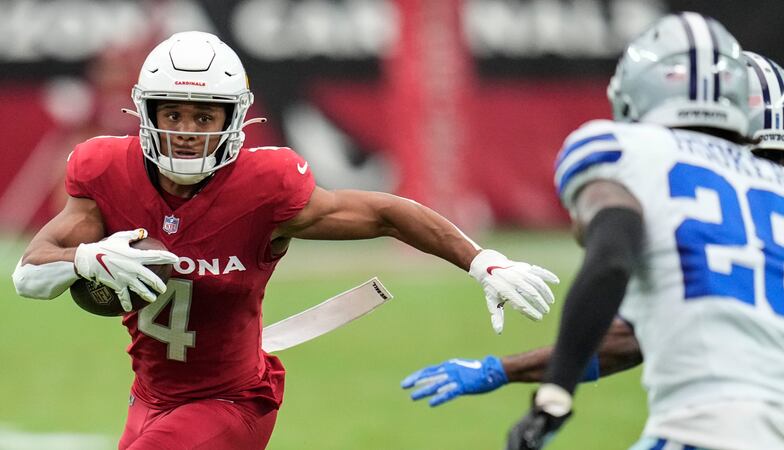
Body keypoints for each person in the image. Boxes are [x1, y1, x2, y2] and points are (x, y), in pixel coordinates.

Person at [10, 31, 560, 450]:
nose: (184, 129)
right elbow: (28, 276)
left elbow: (388, 213)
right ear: (146, 113)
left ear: (234, 120)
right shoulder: (105, 171)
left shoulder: (264, 188)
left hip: (232, 399)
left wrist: (481, 260)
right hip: (150, 396)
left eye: (203, 116)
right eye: (171, 112)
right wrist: (86, 258)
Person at [408, 13, 784, 450]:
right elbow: (630, 338)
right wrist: (506, 371)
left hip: (704, 427)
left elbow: (612, 257)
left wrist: (553, 396)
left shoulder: (626, 152)